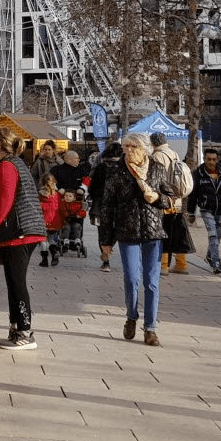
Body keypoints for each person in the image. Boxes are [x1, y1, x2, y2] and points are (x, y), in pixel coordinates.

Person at [95, 133, 175, 346]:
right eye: (126, 146)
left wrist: (158, 198)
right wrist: (106, 240)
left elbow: (171, 199)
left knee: (151, 283)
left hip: (153, 232)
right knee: (132, 279)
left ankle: (150, 329)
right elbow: (107, 207)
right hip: (126, 232)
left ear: (145, 149)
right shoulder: (116, 172)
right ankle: (131, 316)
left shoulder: (157, 169)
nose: (128, 150)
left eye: (133, 147)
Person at [0, 128, 46, 349]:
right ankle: (15, 328)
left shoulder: (7, 166)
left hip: (19, 232)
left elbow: (5, 201)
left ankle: (25, 333)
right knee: (13, 281)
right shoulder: (14, 164)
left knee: (17, 282)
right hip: (23, 231)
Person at [150, 133, 195, 274]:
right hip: (177, 200)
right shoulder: (174, 154)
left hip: (164, 200)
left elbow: (156, 180)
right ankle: (181, 265)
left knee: (163, 232)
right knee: (178, 233)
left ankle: (163, 266)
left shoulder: (157, 156)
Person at [87, 143, 124, 272]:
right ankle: (109, 250)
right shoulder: (123, 168)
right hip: (118, 205)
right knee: (116, 231)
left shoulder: (100, 167)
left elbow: (92, 187)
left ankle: (106, 261)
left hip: (101, 204)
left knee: (102, 233)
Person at [51, 150, 88, 258]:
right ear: (68, 159)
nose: (78, 160)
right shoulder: (57, 170)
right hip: (63, 200)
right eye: (76, 158)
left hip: (77, 200)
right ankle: (63, 239)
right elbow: (51, 181)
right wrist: (58, 189)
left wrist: (82, 188)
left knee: (77, 223)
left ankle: (76, 240)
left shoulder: (81, 169)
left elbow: (87, 180)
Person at [37, 170, 65, 267]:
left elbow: (37, 207)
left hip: (43, 220)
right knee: (51, 239)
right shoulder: (57, 194)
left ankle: (44, 260)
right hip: (54, 220)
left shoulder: (40, 194)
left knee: (43, 240)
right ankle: (54, 253)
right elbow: (61, 207)